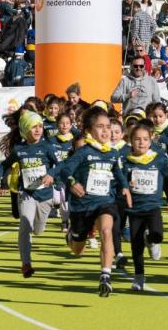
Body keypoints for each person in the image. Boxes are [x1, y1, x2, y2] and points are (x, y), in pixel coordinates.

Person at [54, 107, 128, 296]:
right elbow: (64, 170)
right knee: (78, 250)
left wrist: (125, 187)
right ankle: (73, 236)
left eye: (108, 127)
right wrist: (72, 183)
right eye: (100, 127)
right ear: (89, 131)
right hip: (82, 205)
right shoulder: (84, 152)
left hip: (105, 201)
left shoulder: (113, 153)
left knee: (106, 230)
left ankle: (105, 275)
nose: (105, 131)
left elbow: (118, 173)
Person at [0, 110, 59, 278]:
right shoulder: (19, 149)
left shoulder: (47, 147)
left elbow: (59, 164)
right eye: (34, 127)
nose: (38, 130)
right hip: (26, 194)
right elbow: (4, 166)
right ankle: (26, 263)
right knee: (25, 224)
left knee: (38, 230)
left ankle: (37, 233)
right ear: (25, 129)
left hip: (45, 195)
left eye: (40, 126)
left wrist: (52, 175)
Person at [121, 119, 168, 291]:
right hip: (134, 208)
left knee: (158, 235)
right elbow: (118, 179)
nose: (141, 143)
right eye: (137, 139)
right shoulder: (126, 160)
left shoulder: (158, 158)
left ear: (151, 140)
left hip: (152, 206)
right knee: (136, 245)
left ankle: (151, 240)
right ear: (130, 140)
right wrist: (125, 186)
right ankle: (139, 277)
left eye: (145, 139)